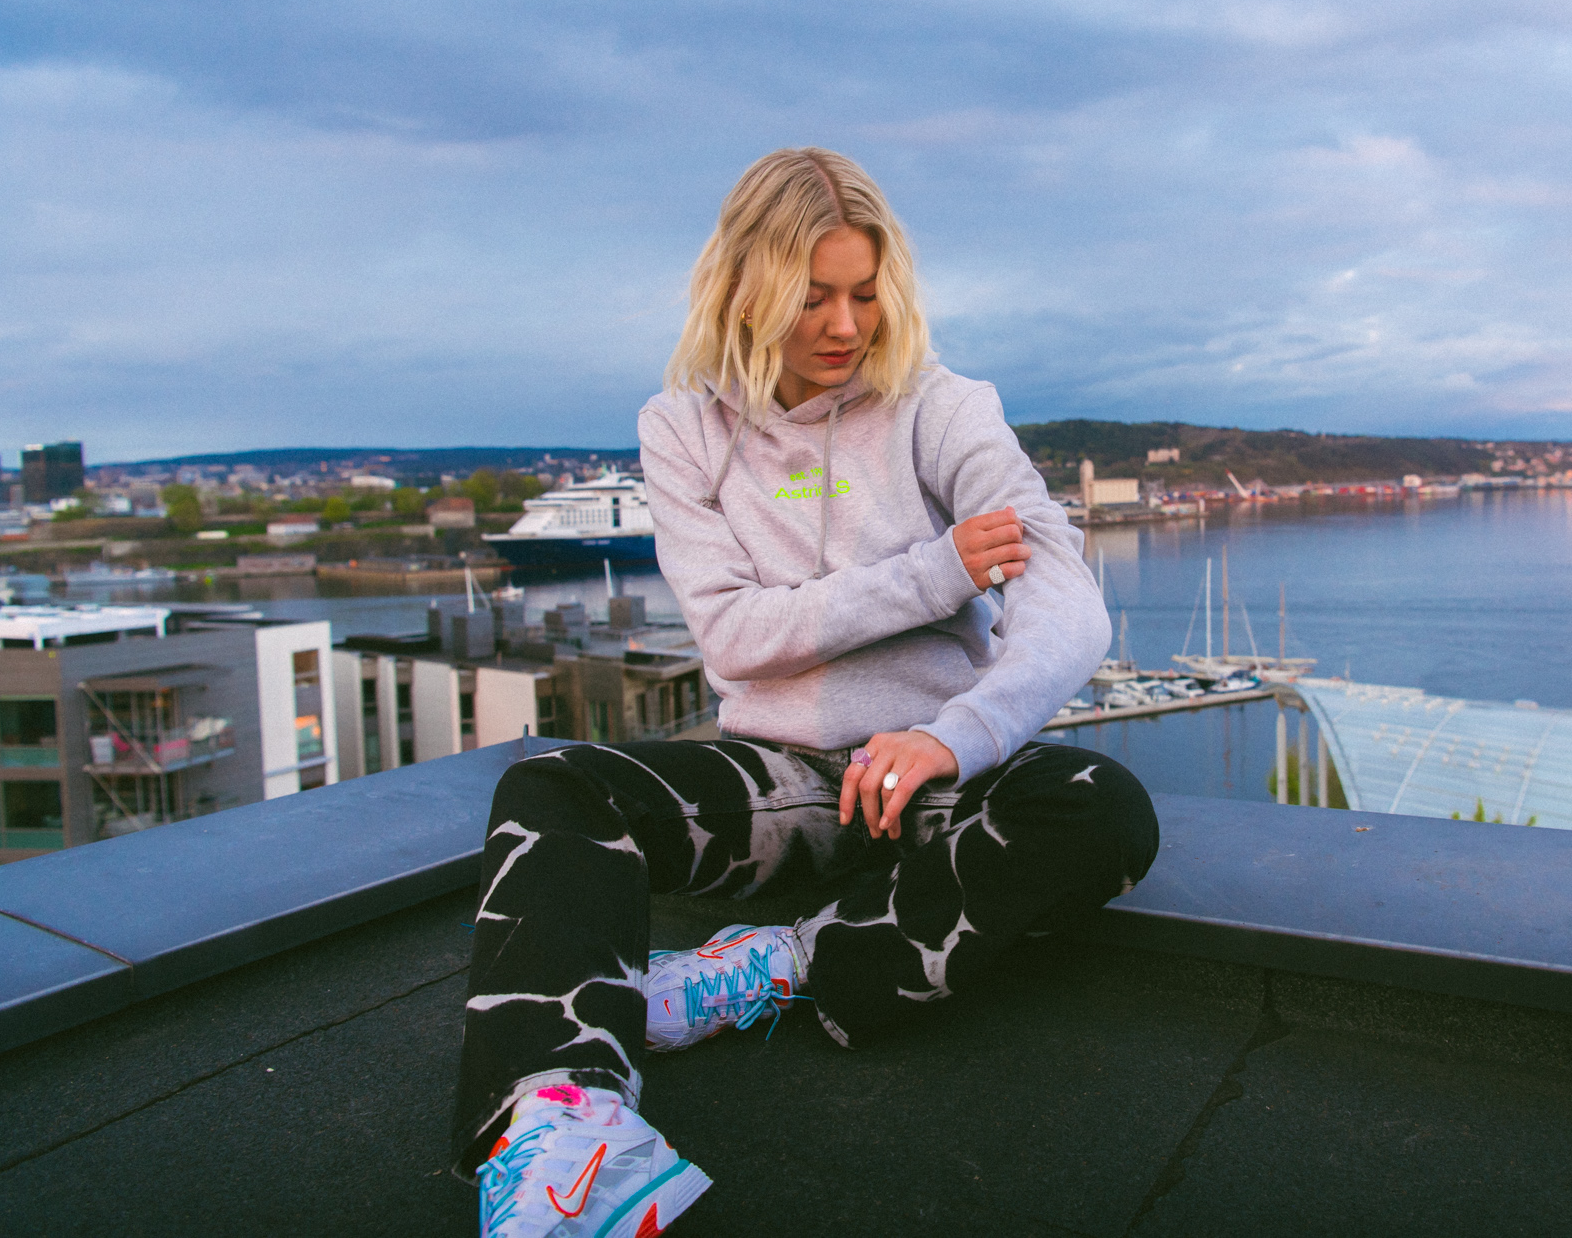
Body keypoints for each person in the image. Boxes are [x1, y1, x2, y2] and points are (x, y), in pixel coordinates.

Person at [454, 147, 1160, 1238]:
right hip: (776, 780)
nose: (843, 326)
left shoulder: (941, 408)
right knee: (553, 784)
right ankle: (562, 1126)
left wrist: (952, 736)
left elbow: (1068, 604)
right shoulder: (682, 428)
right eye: (811, 296)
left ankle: (782, 964)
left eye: (864, 294)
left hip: (921, 780)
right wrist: (936, 571)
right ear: (745, 287)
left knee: (1101, 807)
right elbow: (735, 636)